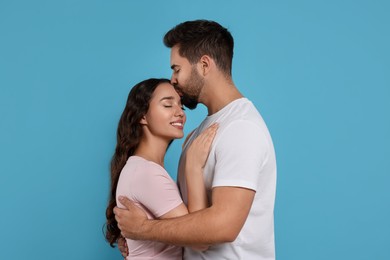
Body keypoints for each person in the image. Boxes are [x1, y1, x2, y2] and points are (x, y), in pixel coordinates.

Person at [114, 20, 277, 260]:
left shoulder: (240, 128)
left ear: (204, 65)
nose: (173, 79)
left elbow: (224, 225)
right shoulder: (200, 132)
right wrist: (141, 245)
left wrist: (142, 230)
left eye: (177, 69)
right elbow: (184, 217)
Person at [105, 78, 217, 259]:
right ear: (142, 116)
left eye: (181, 106)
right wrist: (194, 168)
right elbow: (199, 240)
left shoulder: (141, 168)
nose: (180, 112)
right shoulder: (147, 173)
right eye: (167, 105)